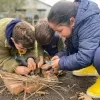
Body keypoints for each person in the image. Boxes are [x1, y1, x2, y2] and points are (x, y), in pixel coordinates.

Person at [47, 0, 100, 98]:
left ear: (71, 21)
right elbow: (71, 49)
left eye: (60, 30)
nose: (59, 35)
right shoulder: (74, 22)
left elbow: (85, 56)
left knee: (98, 55)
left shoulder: (89, 21)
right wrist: (59, 56)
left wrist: (60, 63)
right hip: (92, 48)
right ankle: (92, 67)